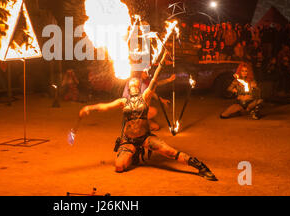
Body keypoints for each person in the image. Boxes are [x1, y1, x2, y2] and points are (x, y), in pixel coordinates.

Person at [79, 51, 217, 180]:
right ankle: (134, 153)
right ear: (128, 88)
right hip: (128, 140)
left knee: (170, 152)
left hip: (145, 138)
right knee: (119, 167)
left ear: (139, 87)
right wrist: (89, 108)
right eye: (131, 84)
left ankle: (200, 167)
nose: (134, 84)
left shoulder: (145, 97)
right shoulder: (123, 101)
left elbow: (155, 79)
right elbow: (106, 106)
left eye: (136, 83)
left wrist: (162, 60)